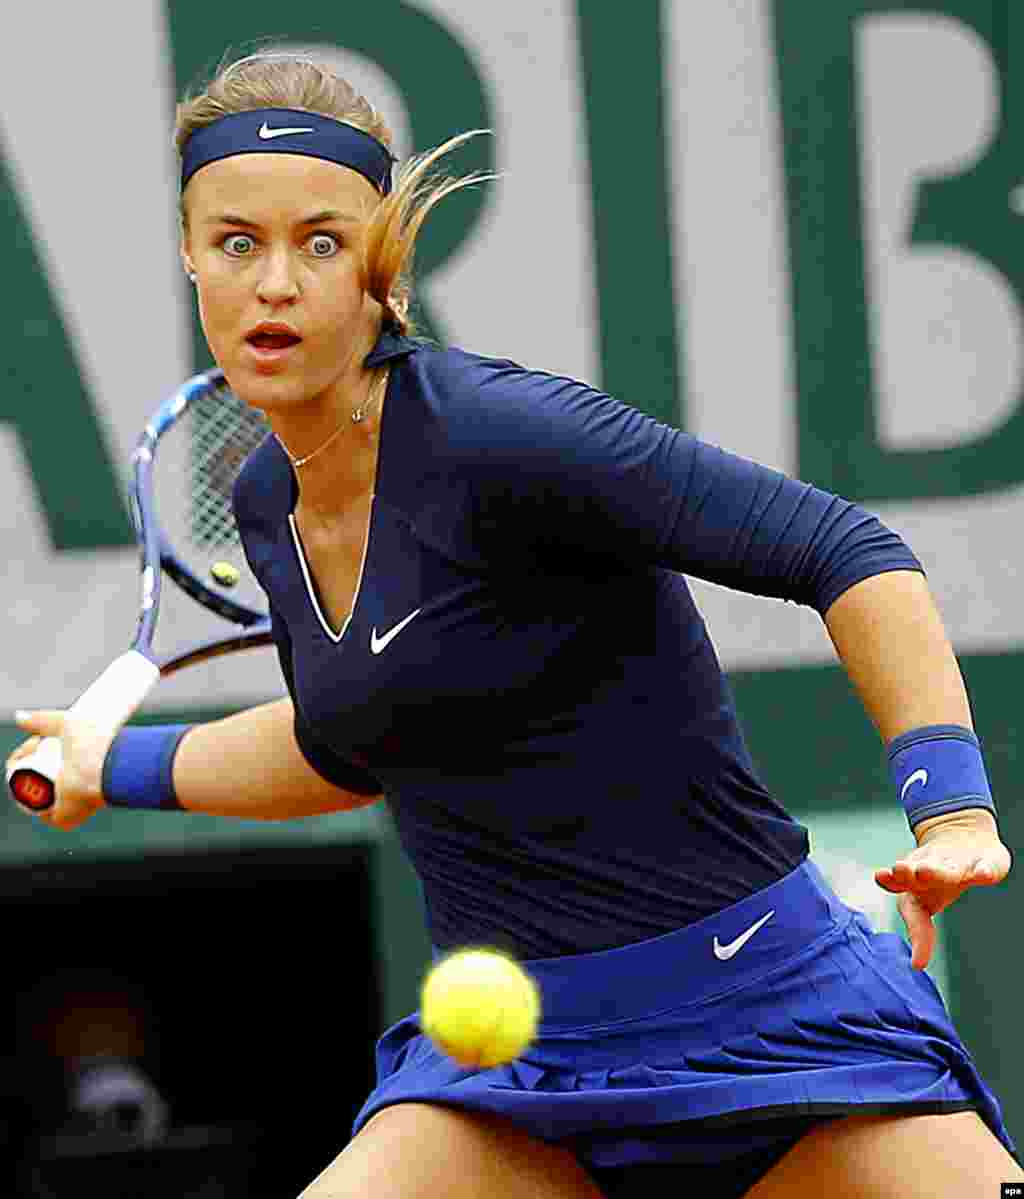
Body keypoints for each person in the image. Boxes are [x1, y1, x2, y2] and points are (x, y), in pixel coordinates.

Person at [8, 50, 1023, 1199]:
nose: (276, 281)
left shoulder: (505, 434)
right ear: (191, 256)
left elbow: (847, 551)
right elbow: (342, 750)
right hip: (522, 1074)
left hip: (774, 1024)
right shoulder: (267, 503)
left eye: (322, 241)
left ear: (383, 264)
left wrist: (951, 810)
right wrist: (112, 764)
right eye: (237, 242)